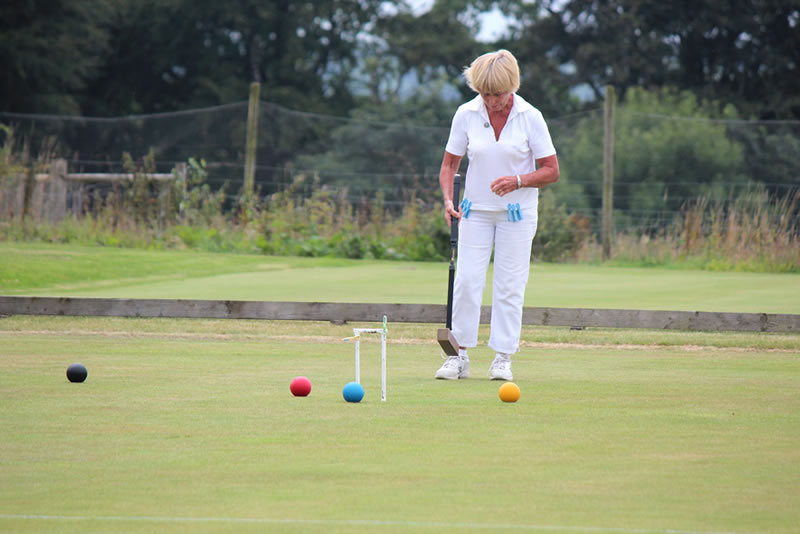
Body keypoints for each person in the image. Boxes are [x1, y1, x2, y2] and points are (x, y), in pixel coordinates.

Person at [435, 49, 559, 381]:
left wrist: (519, 180)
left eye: (498, 94)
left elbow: (551, 171)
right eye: (485, 93)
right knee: (467, 281)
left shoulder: (530, 116)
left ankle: (503, 357)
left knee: (509, 285)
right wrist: (448, 199)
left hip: (516, 214)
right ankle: (457, 356)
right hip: (474, 212)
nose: (492, 101)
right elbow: (450, 164)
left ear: (512, 87)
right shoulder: (466, 113)